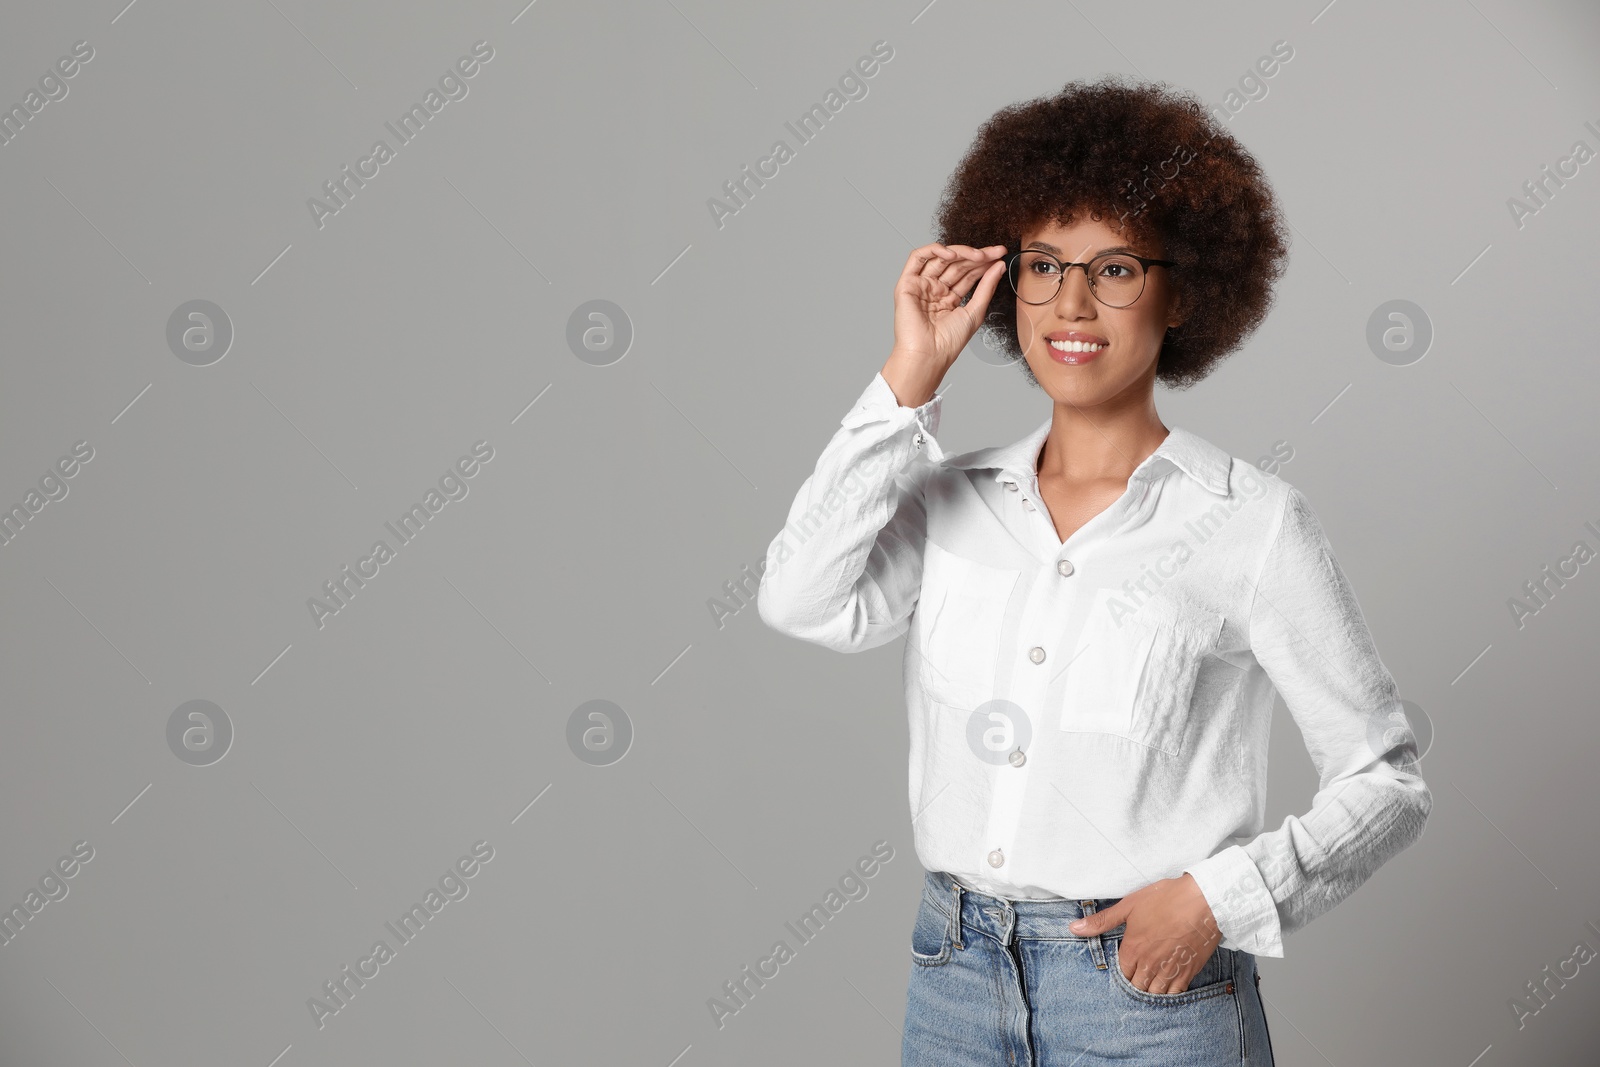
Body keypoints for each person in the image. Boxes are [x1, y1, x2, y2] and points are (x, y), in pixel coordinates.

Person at [756, 76, 1431, 1066]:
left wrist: (1218, 900)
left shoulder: (1250, 524)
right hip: (951, 976)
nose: (1071, 303)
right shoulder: (952, 501)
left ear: (1182, 289)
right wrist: (909, 376)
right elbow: (797, 593)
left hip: (1146, 998)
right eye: (1043, 266)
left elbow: (1385, 778)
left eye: (1114, 268)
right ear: (1006, 281)